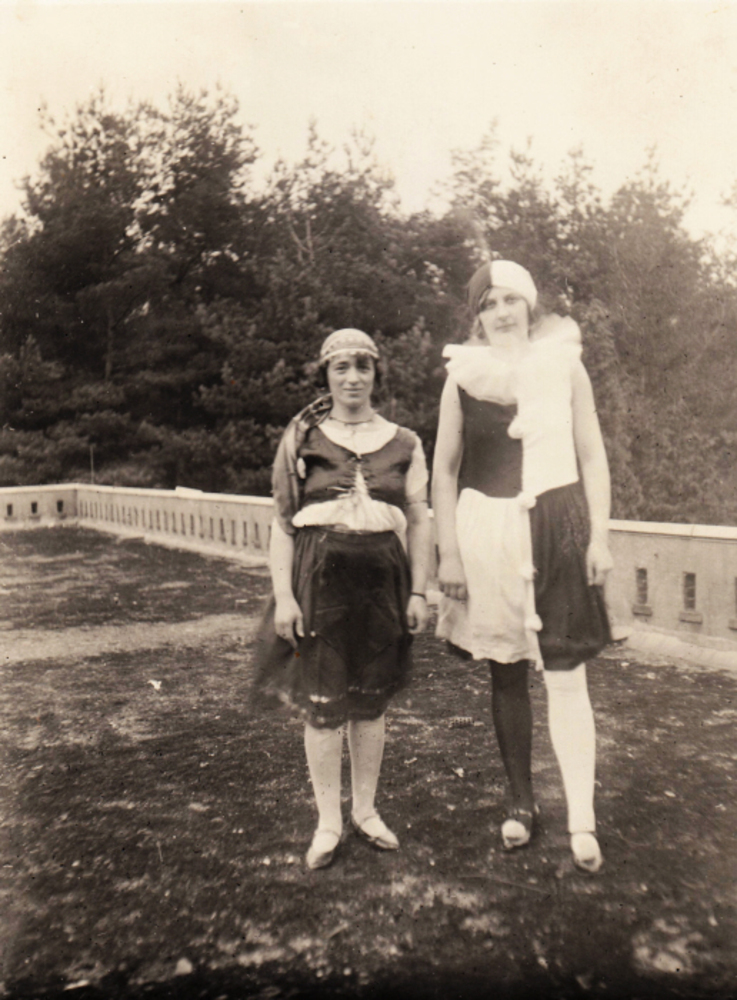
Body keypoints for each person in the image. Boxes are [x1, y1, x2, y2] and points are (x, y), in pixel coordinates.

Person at [432, 260, 613, 874]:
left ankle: (581, 819)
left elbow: (592, 455)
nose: (501, 312)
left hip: (558, 529)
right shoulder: (463, 376)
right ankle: (521, 802)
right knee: (505, 672)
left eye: (511, 300)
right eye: (488, 304)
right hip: (488, 534)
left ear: (530, 306)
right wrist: (449, 553)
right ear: (477, 318)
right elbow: (444, 471)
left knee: (565, 672)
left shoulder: (564, 364)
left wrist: (599, 538)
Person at [253, 328, 431, 870]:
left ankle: (366, 810)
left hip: (383, 582)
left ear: (376, 374)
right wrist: (284, 596)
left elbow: (419, 520)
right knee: (324, 705)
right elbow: (283, 524)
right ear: (326, 376)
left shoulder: (405, 442)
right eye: (341, 368)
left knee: (371, 703)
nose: (353, 378)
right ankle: (328, 821)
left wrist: (419, 590)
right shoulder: (301, 439)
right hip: (319, 579)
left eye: (363, 367)